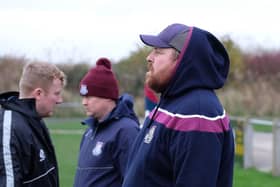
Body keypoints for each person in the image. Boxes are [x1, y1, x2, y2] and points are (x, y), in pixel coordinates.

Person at [122, 23, 235, 187]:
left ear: (183, 60)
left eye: (158, 51)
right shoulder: (173, 102)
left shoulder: (197, 113)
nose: (149, 57)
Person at [74, 57, 140, 187]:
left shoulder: (126, 131)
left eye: (89, 96)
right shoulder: (90, 131)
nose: (84, 102)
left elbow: (135, 180)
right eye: (83, 97)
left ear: (108, 97)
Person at [0, 61, 66, 186]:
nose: (60, 100)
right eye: (56, 94)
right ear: (39, 93)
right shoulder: (9, 128)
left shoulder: (35, 120)